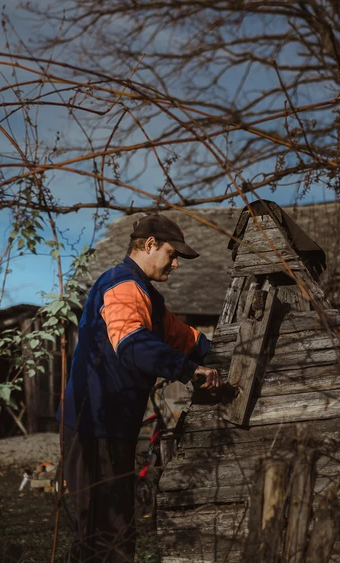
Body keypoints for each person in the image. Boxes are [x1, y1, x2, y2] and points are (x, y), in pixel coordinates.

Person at [58, 213, 223, 562]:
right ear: (149, 245)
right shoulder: (122, 285)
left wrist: (225, 354)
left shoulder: (148, 297)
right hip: (93, 427)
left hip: (112, 428)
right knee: (104, 539)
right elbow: (132, 345)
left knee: (114, 532)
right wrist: (191, 372)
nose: (176, 264)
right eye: (171, 254)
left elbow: (187, 339)